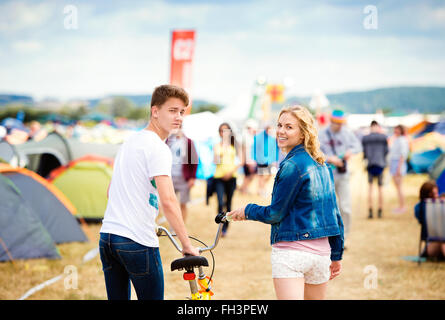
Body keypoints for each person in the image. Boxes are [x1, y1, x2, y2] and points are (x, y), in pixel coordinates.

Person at [228, 105, 344, 300]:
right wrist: (337, 253)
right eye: (279, 125)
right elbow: (334, 215)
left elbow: (275, 213)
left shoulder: (291, 165)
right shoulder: (322, 165)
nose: (281, 131)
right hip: (321, 256)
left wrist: (248, 210)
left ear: (303, 134)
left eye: (289, 127)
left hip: (292, 254)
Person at [99, 84, 200, 300]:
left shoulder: (129, 142)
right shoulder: (158, 148)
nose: (179, 117)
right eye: (172, 111)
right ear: (155, 111)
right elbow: (169, 200)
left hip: (107, 237)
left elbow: (111, 191)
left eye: (182, 112)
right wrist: (186, 245)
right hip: (136, 240)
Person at [319, 110, 361, 239]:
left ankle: (344, 237)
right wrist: (329, 159)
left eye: (342, 123)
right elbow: (315, 152)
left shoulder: (347, 133)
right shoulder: (321, 134)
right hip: (327, 175)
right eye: (337, 123)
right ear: (331, 121)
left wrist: (349, 151)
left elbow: (358, 147)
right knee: (327, 206)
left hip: (343, 175)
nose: (340, 126)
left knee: (345, 207)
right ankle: (327, 235)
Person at [213, 122, 241, 237]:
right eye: (221, 131)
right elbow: (215, 161)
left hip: (231, 177)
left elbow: (240, 161)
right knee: (220, 203)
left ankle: (226, 228)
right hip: (219, 177)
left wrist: (231, 172)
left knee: (228, 203)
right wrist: (223, 148)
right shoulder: (217, 146)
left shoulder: (234, 145)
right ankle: (220, 225)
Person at [166, 126, 198, 223]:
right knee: (171, 203)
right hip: (170, 176)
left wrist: (192, 177)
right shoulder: (168, 141)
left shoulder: (188, 142)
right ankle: (173, 226)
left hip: (184, 177)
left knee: (183, 203)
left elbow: (194, 160)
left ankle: (182, 224)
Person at [362, 120, 389, 219]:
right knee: (380, 188)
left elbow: (364, 152)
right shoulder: (383, 137)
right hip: (380, 164)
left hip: (370, 164)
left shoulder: (365, 138)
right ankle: (380, 210)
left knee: (370, 188)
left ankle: (370, 210)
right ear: (377, 126)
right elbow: (386, 151)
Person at [414, 180, 445, 259]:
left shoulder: (418, 207)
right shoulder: (421, 208)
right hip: (434, 243)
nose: (436, 196)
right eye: (434, 194)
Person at [252, 124, 279, 197]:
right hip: (260, 160)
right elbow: (254, 148)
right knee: (261, 175)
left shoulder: (272, 139)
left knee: (270, 175)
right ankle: (261, 190)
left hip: (269, 160)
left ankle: (262, 187)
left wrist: (276, 159)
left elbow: (275, 149)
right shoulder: (258, 137)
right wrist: (254, 158)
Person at [389, 124, 410, 213]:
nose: (395, 132)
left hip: (398, 164)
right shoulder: (397, 140)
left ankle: (402, 206)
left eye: (397, 130)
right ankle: (400, 206)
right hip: (395, 163)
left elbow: (402, 155)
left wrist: (399, 168)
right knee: (397, 187)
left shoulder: (402, 140)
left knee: (399, 187)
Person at [240, 119, 258, 195]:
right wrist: (248, 161)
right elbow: (246, 151)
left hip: (251, 160)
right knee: (248, 176)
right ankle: (243, 189)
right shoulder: (246, 137)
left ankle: (244, 188)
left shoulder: (250, 137)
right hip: (249, 160)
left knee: (250, 176)